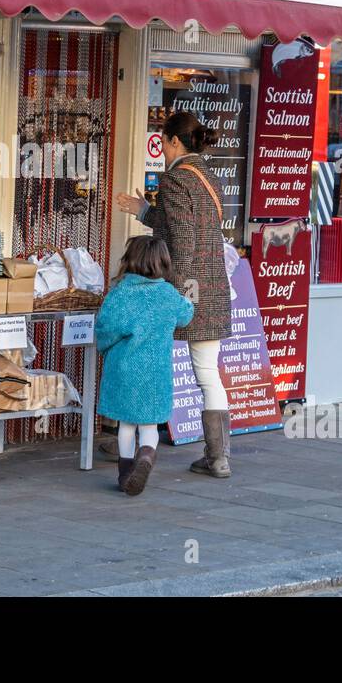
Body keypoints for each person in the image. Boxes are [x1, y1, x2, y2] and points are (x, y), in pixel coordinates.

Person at [116, 110, 234, 477]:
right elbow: (186, 223)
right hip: (213, 287)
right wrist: (144, 211)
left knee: (143, 360)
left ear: (174, 142)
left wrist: (174, 295)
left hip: (183, 288)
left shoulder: (174, 179)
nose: (163, 150)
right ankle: (219, 457)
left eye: (164, 143)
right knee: (207, 373)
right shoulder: (208, 174)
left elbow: (180, 240)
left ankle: (132, 438)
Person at [95, 236, 194, 496]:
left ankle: (125, 473)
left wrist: (105, 346)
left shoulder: (119, 293)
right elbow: (186, 315)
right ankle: (147, 457)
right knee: (149, 425)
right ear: (163, 263)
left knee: (126, 424)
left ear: (130, 260)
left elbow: (104, 329)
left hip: (124, 368)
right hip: (156, 371)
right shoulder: (168, 294)